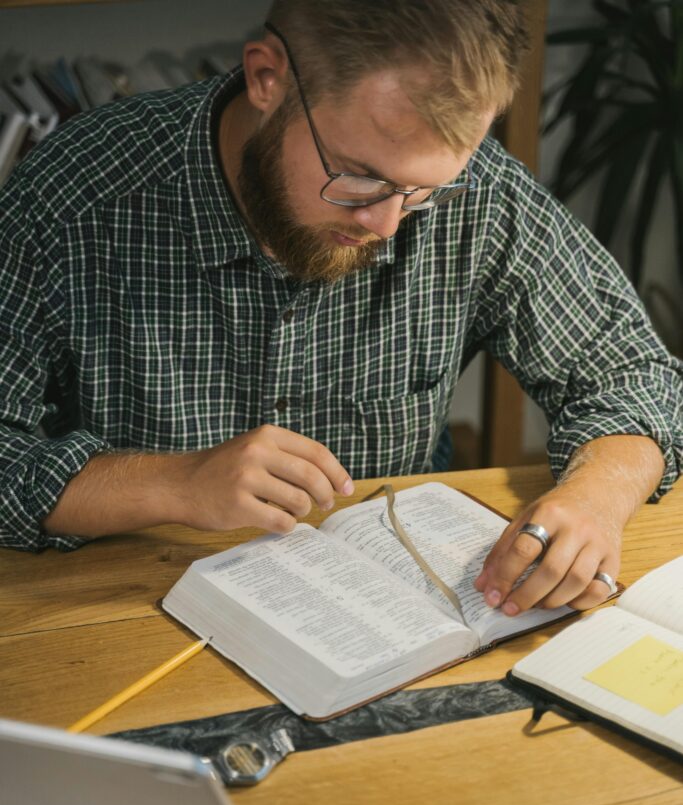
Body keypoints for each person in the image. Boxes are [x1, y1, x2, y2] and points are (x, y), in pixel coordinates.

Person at [0, 0, 680, 623]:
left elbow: (633, 376)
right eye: (358, 176)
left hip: (385, 616)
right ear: (266, 78)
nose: (387, 225)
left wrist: (595, 497)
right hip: (120, 612)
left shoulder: (478, 196)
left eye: (423, 192)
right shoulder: (78, 197)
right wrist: (174, 482)